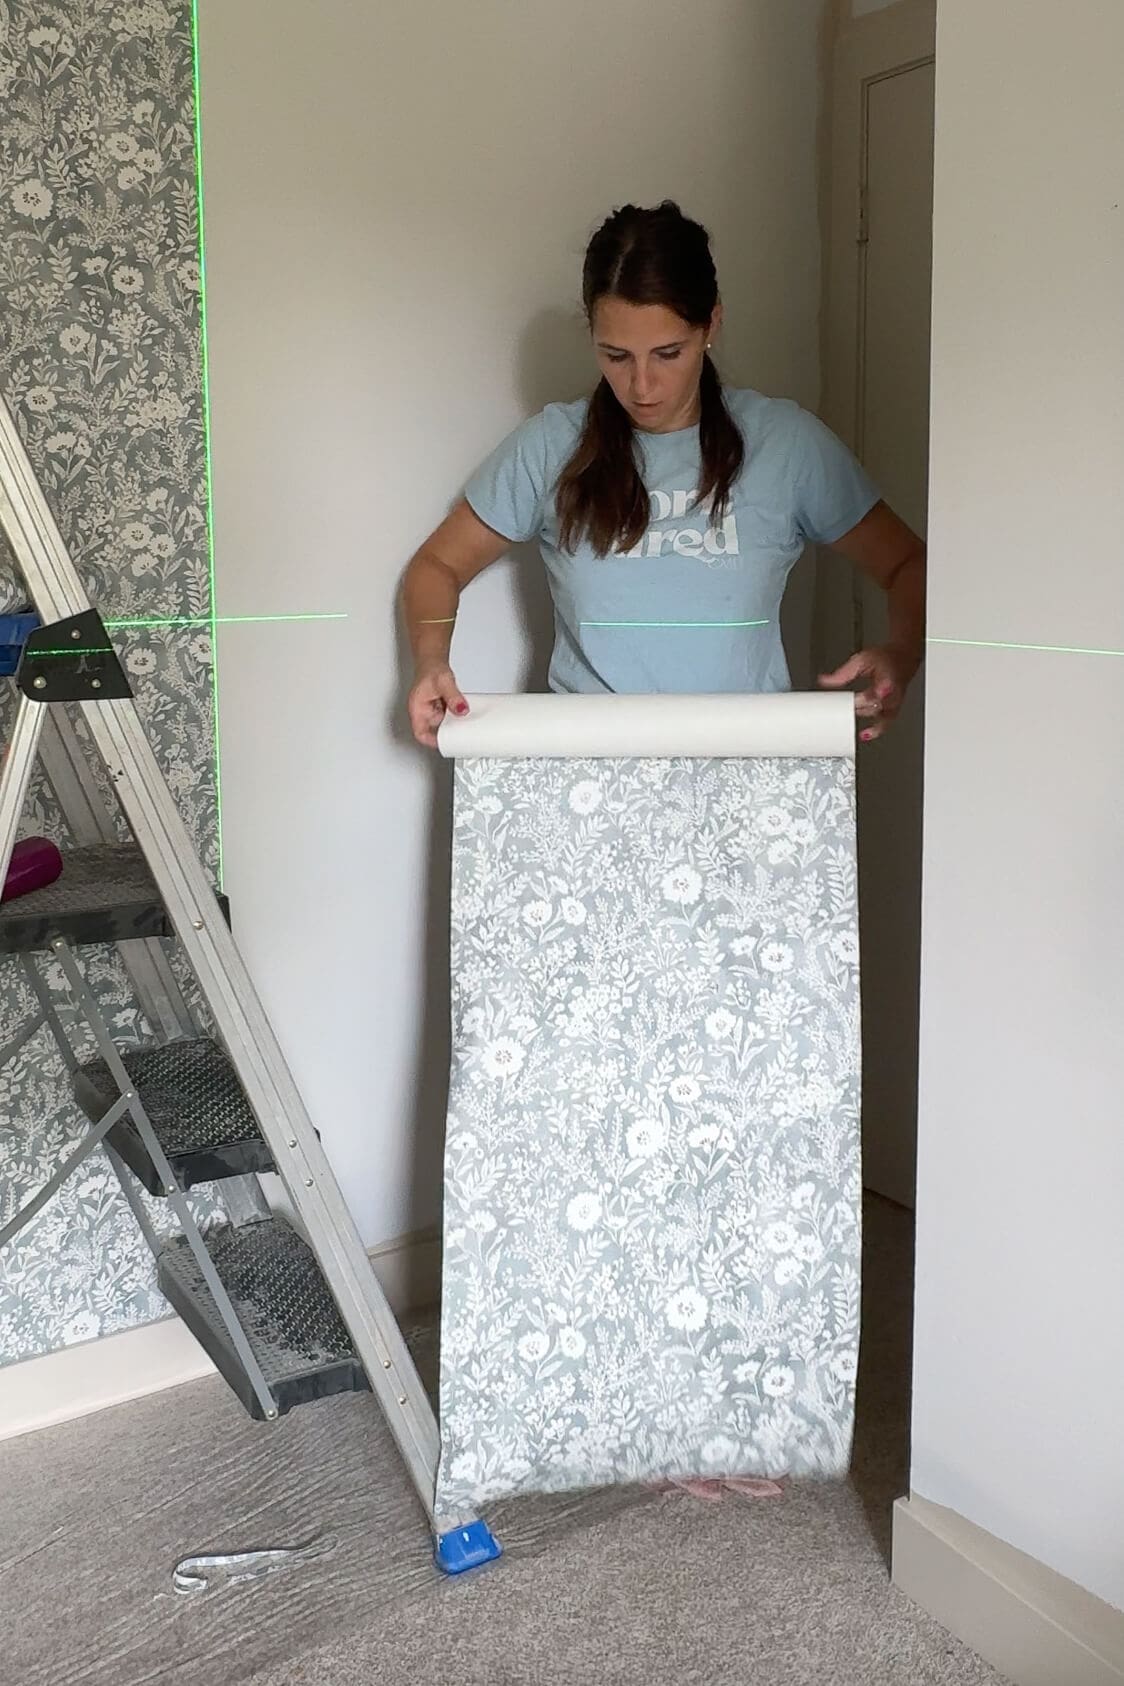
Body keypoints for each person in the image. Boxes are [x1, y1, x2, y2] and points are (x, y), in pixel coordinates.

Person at [400, 201, 925, 1500]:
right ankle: (644, 1399)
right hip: (590, 830)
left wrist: (896, 654)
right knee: (613, 1119)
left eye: (667, 353)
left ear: (711, 329)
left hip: (755, 825)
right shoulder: (551, 453)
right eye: (617, 354)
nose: (640, 383)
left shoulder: (789, 450)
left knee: (742, 1119)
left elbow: (907, 567)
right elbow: (433, 571)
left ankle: (735, 1400)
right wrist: (430, 662)